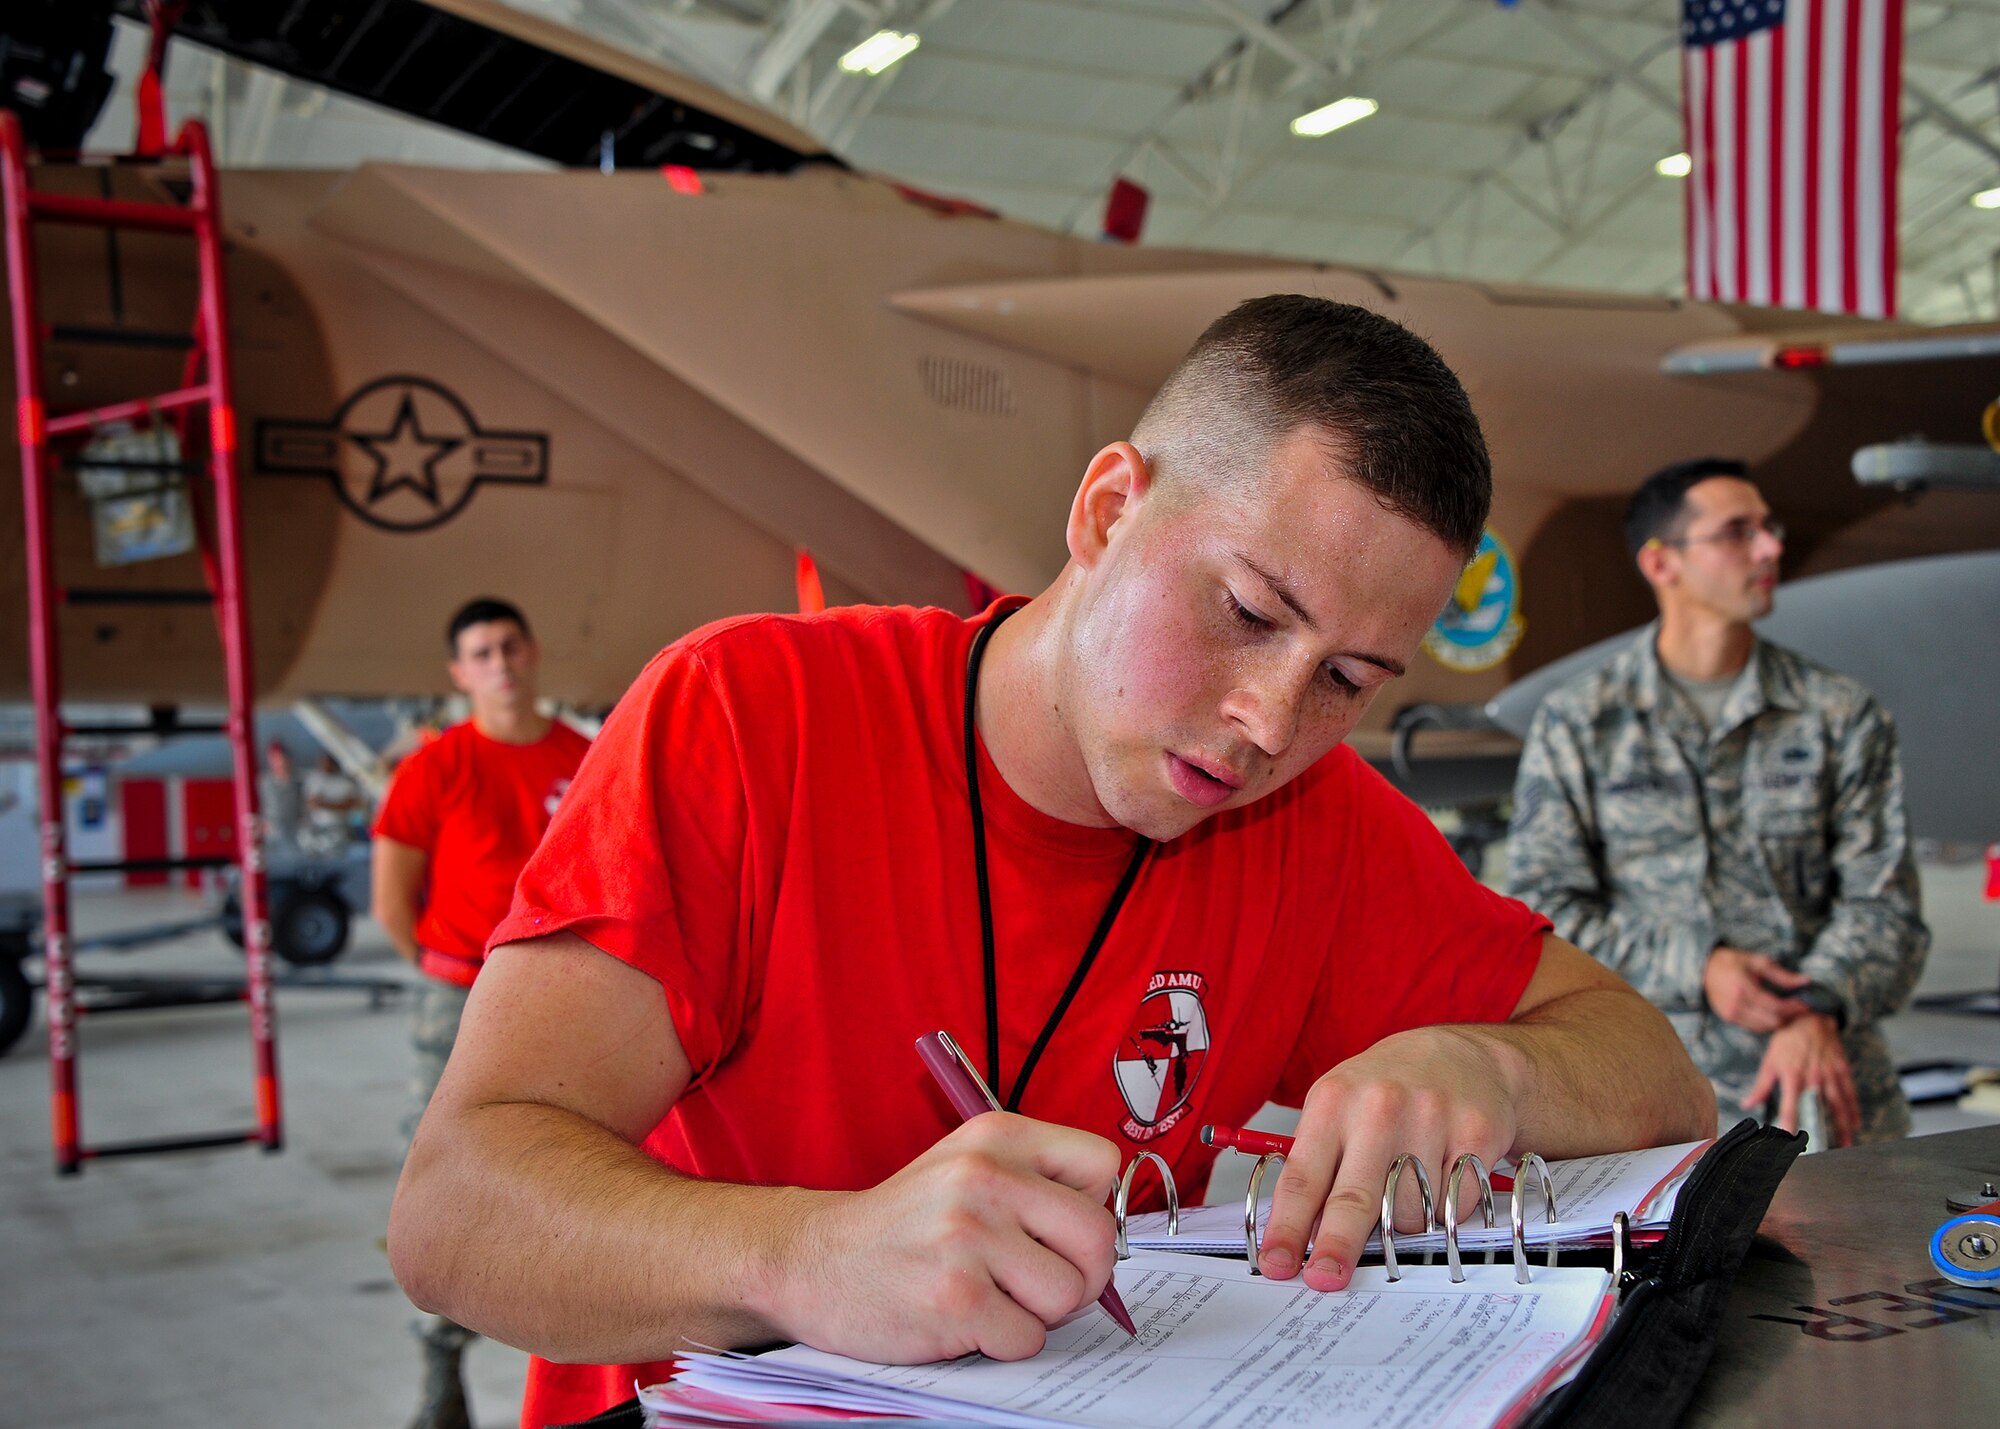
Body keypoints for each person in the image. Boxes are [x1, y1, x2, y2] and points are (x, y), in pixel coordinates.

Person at [388, 297, 1715, 1429]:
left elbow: (1654, 1071)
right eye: (1246, 612)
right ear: (1107, 508)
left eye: (1349, 679)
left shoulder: (1316, 825)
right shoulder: (753, 718)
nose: (1269, 721)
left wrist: (1485, 1065)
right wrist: (805, 1257)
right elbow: (456, 1214)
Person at [1507, 458, 1929, 1150]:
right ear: (1661, 563)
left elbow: (1888, 910)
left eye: (1770, 528)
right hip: (1646, 1107)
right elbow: (1543, 917)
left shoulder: (1839, 715)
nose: (1770, 548)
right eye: (1738, 532)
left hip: (1820, 1104)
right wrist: (1699, 967)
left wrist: (1814, 1005)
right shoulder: (1581, 722)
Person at [371, 597, 592, 1429]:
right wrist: (452, 976)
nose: (498, 661)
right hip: (456, 998)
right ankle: (439, 1365)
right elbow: (392, 902)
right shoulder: (433, 769)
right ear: (459, 673)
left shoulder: (585, 757)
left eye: (508, 645)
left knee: (578, 1174)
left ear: (532, 653)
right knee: (440, 1188)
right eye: (479, 652)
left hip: (564, 999)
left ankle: (578, 1363)